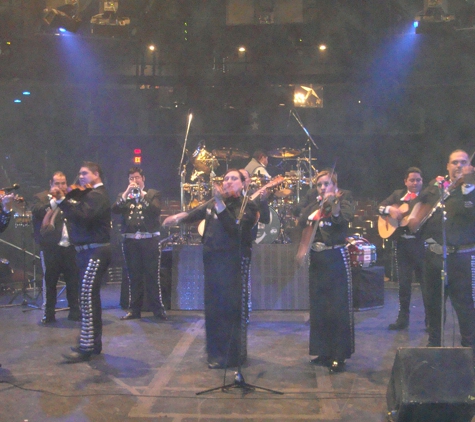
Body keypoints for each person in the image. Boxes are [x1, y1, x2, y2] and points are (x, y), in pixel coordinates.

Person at [163, 169, 258, 369]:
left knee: (229, 310)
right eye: (226, 178)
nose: (229, 182)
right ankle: (215, 353)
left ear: (243, 184)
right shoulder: (214, 203)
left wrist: (221, 205)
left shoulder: (247, 206)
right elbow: (193, 213)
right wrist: (177, 218)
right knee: (213, 309)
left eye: (234, 179)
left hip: (231, 264)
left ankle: (233, 356)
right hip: (212, 261)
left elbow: (235, 230)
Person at [50, 162, 111, 363]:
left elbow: (83, 216)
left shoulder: (98, 195)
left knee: (86, 297)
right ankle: (93, 344)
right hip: (88, 251)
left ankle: (86, 347)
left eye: (85, 173)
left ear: (96, 173)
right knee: (89, 299)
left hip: (95, 251)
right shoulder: (90, 195)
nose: (81, 176)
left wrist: (62, 201)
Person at [414, 149, 475, 351]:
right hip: (433, 256)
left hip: (461, 258)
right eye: (455, 162)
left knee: (465, 307)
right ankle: (434, 349)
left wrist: (468, 187)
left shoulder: (471, 190)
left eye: (463, 162)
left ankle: (469, 352)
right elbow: (418, 209)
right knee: (433, 306)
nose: (459, 166)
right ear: (448, 166)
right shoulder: (438, 188)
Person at [296, 169, 355, 373]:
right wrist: (319, 205)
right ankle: (322, 352)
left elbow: (344, 218)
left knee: (337, 307)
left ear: (335, 185)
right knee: (319, 307)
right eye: (319, 185)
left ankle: (339, 355)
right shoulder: (315, 204)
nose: (322, 187)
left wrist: (334, 205)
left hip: (335, 257)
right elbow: (302, 218)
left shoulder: (344, 199)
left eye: (326, 184)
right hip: (317, 258)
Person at [112, 167, 167, 321]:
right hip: (130, 241)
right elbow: (115, 209)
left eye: (136, 177)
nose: (134, 181)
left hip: (149, 240)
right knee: (133, 277)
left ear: (143, 179)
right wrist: (126, 193)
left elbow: (155, 210)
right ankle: (134, 310)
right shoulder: (123, 196)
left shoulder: (153, 194)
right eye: (131, 178)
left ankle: (158, 310)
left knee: (152, 276)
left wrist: (142, 196)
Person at [378, 167, 427, 330]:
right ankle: (402, 319)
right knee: (404, 284)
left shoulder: (426, 198)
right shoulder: (398, 195)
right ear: (405, 181)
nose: (415, 183)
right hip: (403, 245)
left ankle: (431, 320)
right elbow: (379, 208)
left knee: (426, 284)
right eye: (411, 180)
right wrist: (390, 209)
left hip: (421, 246)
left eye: (418, 180)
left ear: (422, 181)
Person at [31, 172, 80, 324]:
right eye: (57, 183)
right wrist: (55, 201)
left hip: (70, 247)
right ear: (51, 184)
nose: (60, 186)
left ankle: (75, 311)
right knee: (50, 282)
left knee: (73, 281)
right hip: (51, 248)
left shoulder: (72, 198)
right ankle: (49, 313)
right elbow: (38, 211)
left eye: (63, 183)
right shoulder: (41, 198)